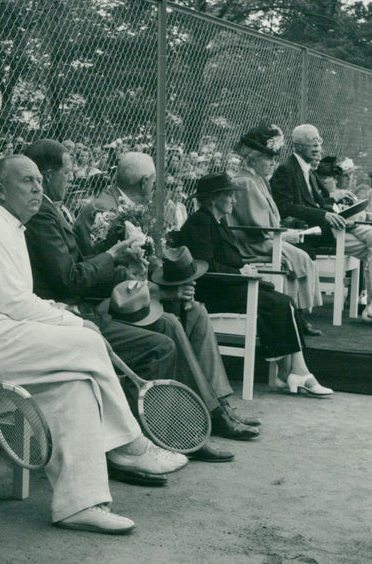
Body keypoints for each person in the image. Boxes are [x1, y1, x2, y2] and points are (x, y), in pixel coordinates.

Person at [0, 155, 188, 535]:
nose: (38, 187)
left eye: (40, 180)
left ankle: (79, 504)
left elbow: (15, 300)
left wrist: (55, 310)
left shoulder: (10, 226)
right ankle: (130, 445)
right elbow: (17, 304)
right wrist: (72, 319)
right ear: (1, 189)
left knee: (77, 385)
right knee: (87, 339)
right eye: (27, 181)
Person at [23, 140, 257, 455]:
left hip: (107, 291)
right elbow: (75, 276)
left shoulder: (59, 208)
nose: (73, 176)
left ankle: (205, 417)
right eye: (67, 171)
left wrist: (141, 274)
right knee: (171, 327)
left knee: (181, 318)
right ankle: (181, 428)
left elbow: (91, 264)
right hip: (85, 306)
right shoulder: (92, 210)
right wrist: (131, 270)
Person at [174, 172, 334, 398]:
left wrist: (245, 270)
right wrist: (239, 272)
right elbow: (204, 265)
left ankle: (290, 372)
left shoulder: (217, 221)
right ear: (213, 198)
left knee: (284, 301)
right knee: (279, 304)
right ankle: (294, 373)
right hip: (214, 292)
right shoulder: (200, 222)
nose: (234, 200)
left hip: (231, 286)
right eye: (229, 195)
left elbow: (228, 259)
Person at [270, 124, 372, 327]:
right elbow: (285, 207)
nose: (317, 147)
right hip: (310, 231)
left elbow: (321, 202)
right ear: (297, 146)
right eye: (310, 143)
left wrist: (343, 208)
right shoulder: (285, 170)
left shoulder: (308, 171)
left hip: (329, 225)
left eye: (318, 141)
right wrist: (324, 214)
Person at [229, 124, 323, 336]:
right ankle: (294, 315)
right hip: (252, 243)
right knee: (299, 257)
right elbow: (257, 226)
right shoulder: (246, 182)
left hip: (265, 238)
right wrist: (284, 233)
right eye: (268, 158)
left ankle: (296, 313)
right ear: (253, 158)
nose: (273, 162)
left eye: (274, 157)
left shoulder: (258, 180)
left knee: (302, 256)